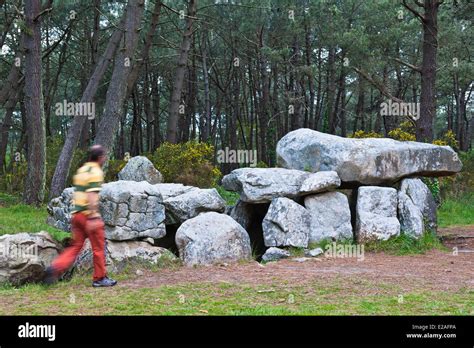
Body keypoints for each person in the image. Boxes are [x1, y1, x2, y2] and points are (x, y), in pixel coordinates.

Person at [44, 145, 117, 287]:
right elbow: (91, 194)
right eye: (104, 156)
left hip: (76, 215)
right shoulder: (95, 171)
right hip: (88, 216)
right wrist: (94, 216)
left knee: (76, 246)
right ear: (100, 158)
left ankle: (55, 267)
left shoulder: (82, 170)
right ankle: (99, 278)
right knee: (98, 247)